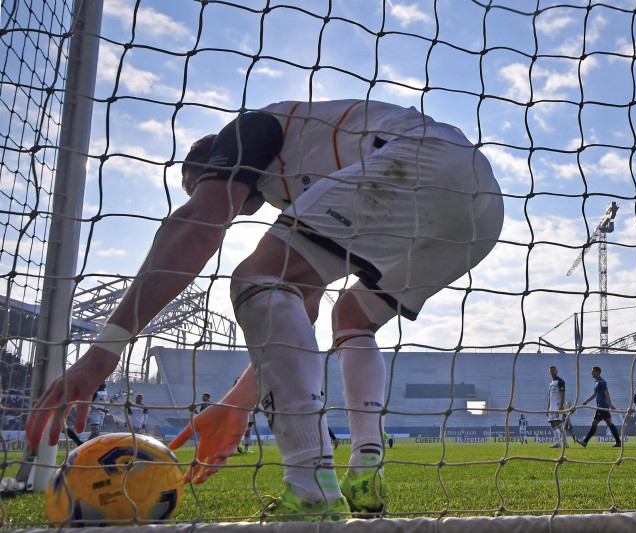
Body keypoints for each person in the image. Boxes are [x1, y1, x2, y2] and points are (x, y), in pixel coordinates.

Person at [25, 99, 504, 521]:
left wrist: (100, 357)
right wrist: (235, 406)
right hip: (481, 212)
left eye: (203, 183)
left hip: (425, 159)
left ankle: (311, 489)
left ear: (214, 163)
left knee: (256, 276)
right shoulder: (303, 186)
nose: (208, 194)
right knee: (352, 318)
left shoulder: (251, 129)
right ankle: (366, 466)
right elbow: (301, 311)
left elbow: (198, 224)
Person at [577, 366, 622, 447]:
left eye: (593, 371)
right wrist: (586, 401)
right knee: (609, 423)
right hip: (600, 406)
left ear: (597, 372)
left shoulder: (602, 382)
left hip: (602, 406)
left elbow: (606, 392)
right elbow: (594, 394)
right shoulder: (597, 382)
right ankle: (618, 442)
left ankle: (585, 441)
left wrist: (610, 404)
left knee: (595, 423)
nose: (591, 373)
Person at [546, 366, 568, 448]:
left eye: (553, 370)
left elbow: (563, 393)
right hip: (552, 406)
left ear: (556, 371)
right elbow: (549, 395)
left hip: (558, 405)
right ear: (549, 372)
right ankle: (557, 443)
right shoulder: (551, 383)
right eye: (551, 371)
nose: (552, 372)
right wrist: (548, 406)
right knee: (552, 424)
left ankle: (565, 443)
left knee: (558, 423)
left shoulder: (561, 381)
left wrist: (562, 405)